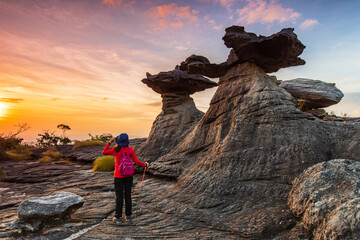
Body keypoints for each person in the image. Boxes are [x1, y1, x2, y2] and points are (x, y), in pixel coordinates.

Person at [102, 133, 149, 224]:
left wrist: (109, 142)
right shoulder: (130, 150)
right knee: (128, 196)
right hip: (129, 176)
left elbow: (104, 152)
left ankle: (118, 217)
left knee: (119, 197)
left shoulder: (116, 150)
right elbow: (136, 161)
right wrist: (145, 165)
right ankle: (128, 216)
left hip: (118, 177)